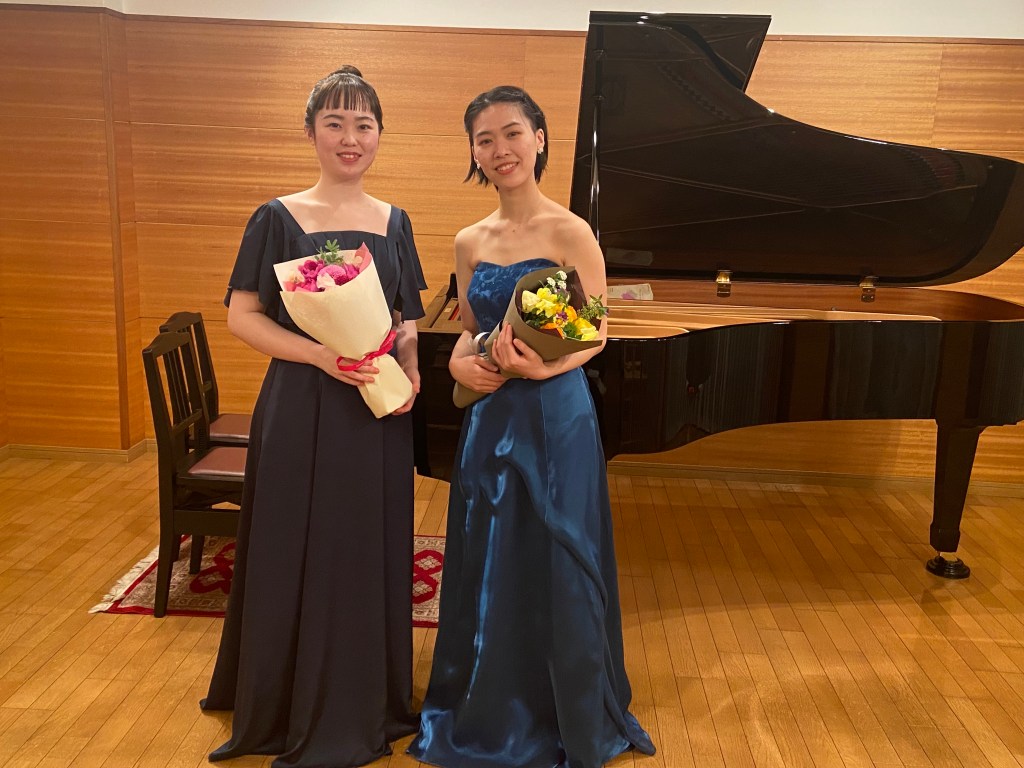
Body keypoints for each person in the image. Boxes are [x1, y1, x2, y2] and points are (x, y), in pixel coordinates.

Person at [408, 86, 655, 768]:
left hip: (555, 412)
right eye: (484, 139)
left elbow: (596, 332)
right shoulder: (469, 241)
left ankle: (563, 708)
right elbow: (470, 330)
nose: (500, 149)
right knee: (489, 553)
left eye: (512, 133)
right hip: (491, 415)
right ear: (474, 153)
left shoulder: (572, 232)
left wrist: (544, 369)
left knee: (558, 552)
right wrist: (460, 361)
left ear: (539, 139)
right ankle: (488, 705)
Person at [200, 66, 427, 768]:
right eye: (335, 123)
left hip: (376, 405)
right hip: (302, 401)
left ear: (380, 134)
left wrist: (411, 368)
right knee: (292, 543)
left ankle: (368, 697)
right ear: (310, 132)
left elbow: (407, 317)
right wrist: (321, 356)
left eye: (364, 124)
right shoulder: (276, 217)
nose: (350, 137)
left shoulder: (396, 221)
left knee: (364, 544)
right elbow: (243, 316)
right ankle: (284, 700)